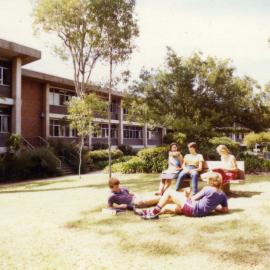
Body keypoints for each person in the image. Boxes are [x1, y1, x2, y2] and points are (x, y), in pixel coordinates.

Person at [140, 172, 229, 219]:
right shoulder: (223, 195)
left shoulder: (207, 189)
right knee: (169, 207)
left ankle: (153, 213)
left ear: (211, 181)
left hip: (191, 208)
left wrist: (186, 193)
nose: (206, 181)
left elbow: (192, 198)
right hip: (197, 213)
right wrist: (212, 207)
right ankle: (149, 212)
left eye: (208, 179)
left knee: (169, 192)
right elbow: (225, 210)